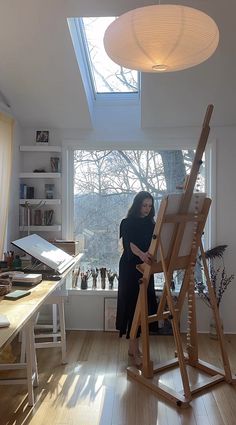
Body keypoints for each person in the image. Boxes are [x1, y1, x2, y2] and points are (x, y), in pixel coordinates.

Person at [116, 191, 158, 364]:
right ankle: (133, 349)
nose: (147, 209)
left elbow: (155, 244)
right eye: (144, 205)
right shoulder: (126, 222)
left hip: (146, 267)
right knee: (133, 305)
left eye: (150, 205)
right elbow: (129, 244)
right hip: (129, 267)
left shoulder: (152, 224)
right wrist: (142, 254)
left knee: (144, 306)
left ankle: (135, 348)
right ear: (137, 205)